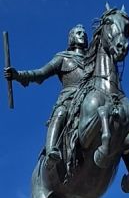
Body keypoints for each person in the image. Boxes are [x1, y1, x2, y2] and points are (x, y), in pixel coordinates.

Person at [5, 24, 89, 171]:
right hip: (70, 98)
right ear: (71, 38)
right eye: (78, 33)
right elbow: (41, 73)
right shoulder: (63, 57)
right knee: (60, 112)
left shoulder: (93, 59)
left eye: (84, 33)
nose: (82, 35)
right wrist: (18, 75)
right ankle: (51, 151)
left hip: (90, 95)